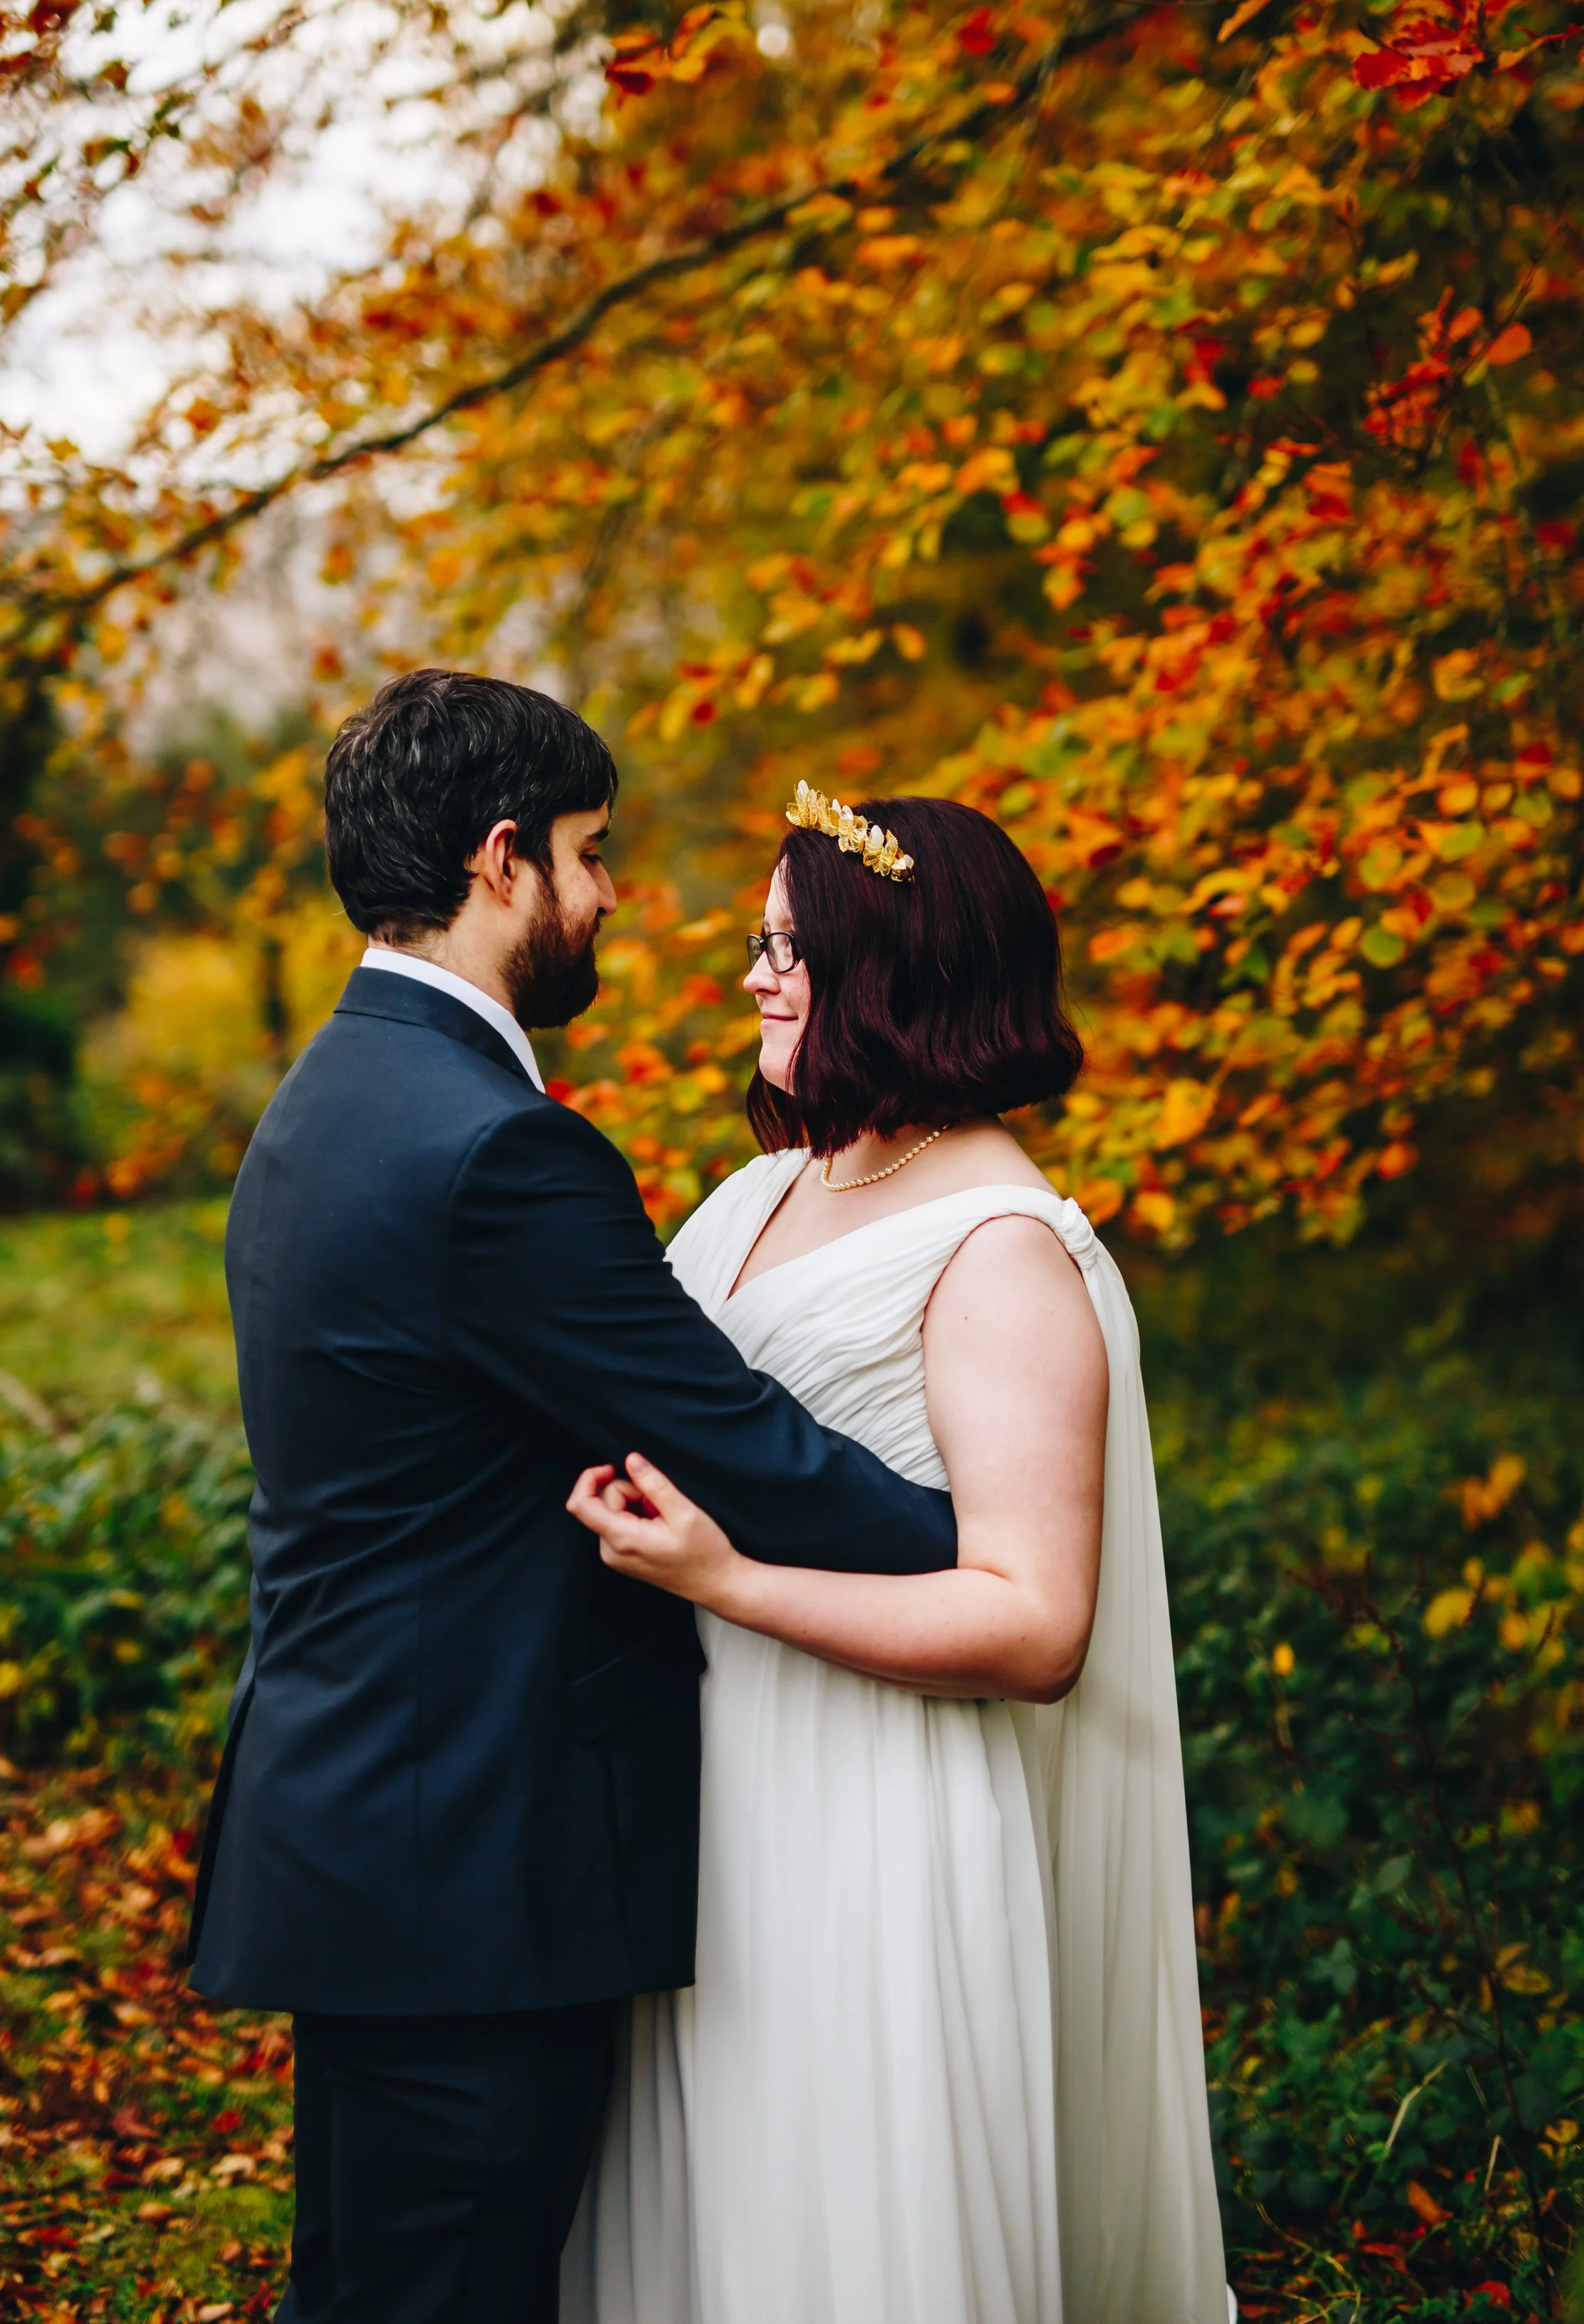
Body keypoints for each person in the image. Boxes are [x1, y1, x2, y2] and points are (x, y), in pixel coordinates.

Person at [182, 679, 962, 2324]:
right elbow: (732, 1443)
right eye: (590, 856)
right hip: (468, 1851)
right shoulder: (496, 1149)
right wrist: (985, 1557)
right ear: (501, 860)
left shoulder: (333, 1092)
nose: (609, 896)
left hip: (373, 1820)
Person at [560, 784, 1229, 2324]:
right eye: (759, 943)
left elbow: (1032, 1623)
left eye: (792, 947)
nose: (754, 977)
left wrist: (724, 1583)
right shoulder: (758, 1191)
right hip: (712, 1784)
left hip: (874, 1808)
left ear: (901, 964)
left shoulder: (1000, 1251)